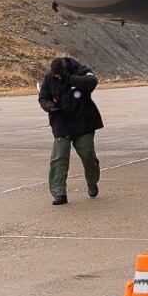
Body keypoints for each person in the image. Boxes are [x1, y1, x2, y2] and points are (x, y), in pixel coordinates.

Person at [38, 56, 103, 205]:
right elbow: (42, 97)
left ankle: (92, 182)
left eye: (60, 74)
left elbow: (92, 82)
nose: (57, 77)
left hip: (83, 121)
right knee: (59, 158)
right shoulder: (49, 78)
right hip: (61, 123)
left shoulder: (81, 70)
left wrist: (69, 78)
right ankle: (59, 193)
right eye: (56, 75)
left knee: (88, 155)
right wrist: (49, 106)